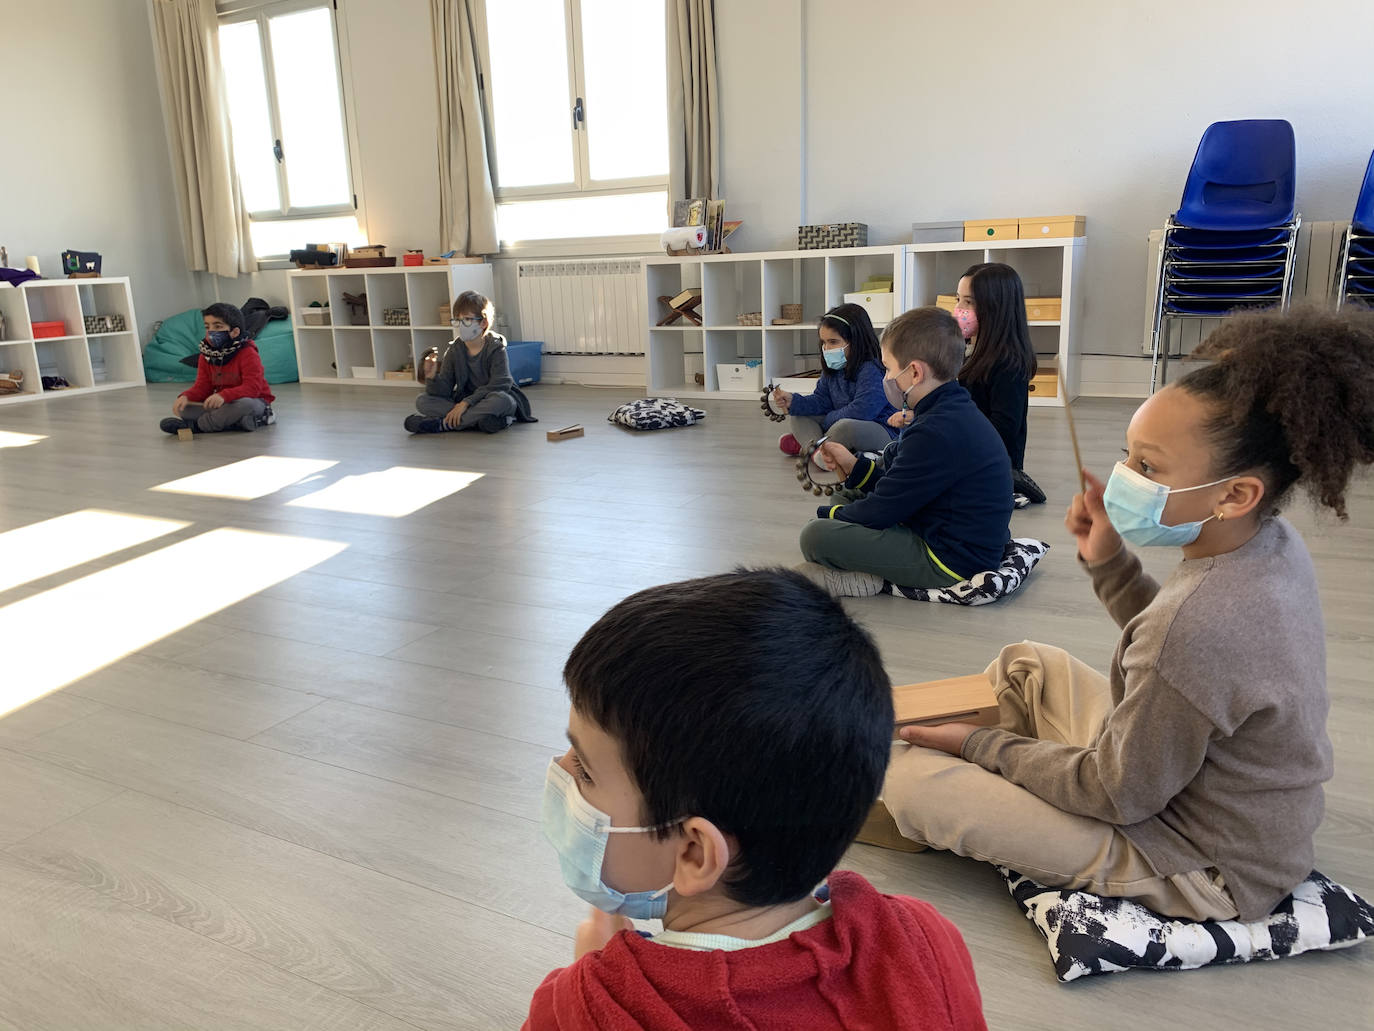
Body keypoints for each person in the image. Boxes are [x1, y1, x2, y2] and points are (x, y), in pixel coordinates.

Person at [882, 307, 1374, 924]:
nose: (1123, 479)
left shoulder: (1200, 623)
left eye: (1148, 467)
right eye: (1127, 456)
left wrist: (983, 746)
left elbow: (1117, 790)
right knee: (1028, 664)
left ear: (1235, 493)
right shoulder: (1269, 545)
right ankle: (1013, 761)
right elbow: (1179, 653)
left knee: (908, 784)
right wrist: (1111, 562)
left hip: (1204, 861)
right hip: (1190, 787)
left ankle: (987, 759)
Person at [526, 569, 986, 1031]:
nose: (561, 770)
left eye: (584, 769)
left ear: (694, 852)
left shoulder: (582, 1008)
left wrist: (585, 991)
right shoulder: (923, 937)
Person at [796, 307, 1012, 598]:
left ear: (914, 372)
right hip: (938, 524)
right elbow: (901, 484)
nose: (885, 377)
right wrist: (854, 466)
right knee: (847, 495)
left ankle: (865, 578)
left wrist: (830, 516)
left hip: (950, 560)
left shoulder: (934, 430)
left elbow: (883, 508)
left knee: (814, 536)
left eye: (887, 368)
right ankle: (863, 559)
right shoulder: (946, 410)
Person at [948, 263, 1045, 503]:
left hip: (989, 457)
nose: (959, 309)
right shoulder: (969, 349)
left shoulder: (1008, 362)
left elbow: (1003, 429)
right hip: (968, 445)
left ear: (995, 307)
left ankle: (1013, 482)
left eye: (968, 302)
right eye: (958, 299)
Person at [769, 303, 897, 456]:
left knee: (845, 427)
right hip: (839, 421)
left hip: (881, 430)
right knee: (799, 415)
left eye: (833, 342)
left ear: (856, 340)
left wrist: (828, 421)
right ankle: (819, 450)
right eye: (824, 342)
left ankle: (817, 450)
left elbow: (863, 411)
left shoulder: (872, 369)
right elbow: (821, 400)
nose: (827, 348)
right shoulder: (834, 367)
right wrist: (794, 401)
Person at [404, 290, 535, 434]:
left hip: (490, 398)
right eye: (458, 320)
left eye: (466, 320)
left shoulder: (496, 348)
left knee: (503, 400)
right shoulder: (454, 349)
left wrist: (466, 404)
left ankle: (444, 424)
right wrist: (432, 377)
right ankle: (483, 421)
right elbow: (445, 390)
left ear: (483, 322)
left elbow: (500, 384)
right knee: (422, 401)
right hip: (466, 402)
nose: (461, 326)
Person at [159, 303, 275, 434]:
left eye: (217, 326)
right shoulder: (206, 355)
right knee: (184, 408)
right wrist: (186, 396)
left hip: (253, 401)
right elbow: (202, 387)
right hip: (223, 404)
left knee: (244, 405)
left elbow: (252, 388)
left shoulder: (247, 353)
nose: (210, 331)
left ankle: (198, 426)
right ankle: (235, 422)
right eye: (207, 326)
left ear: (235, 332)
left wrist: (224, 395)